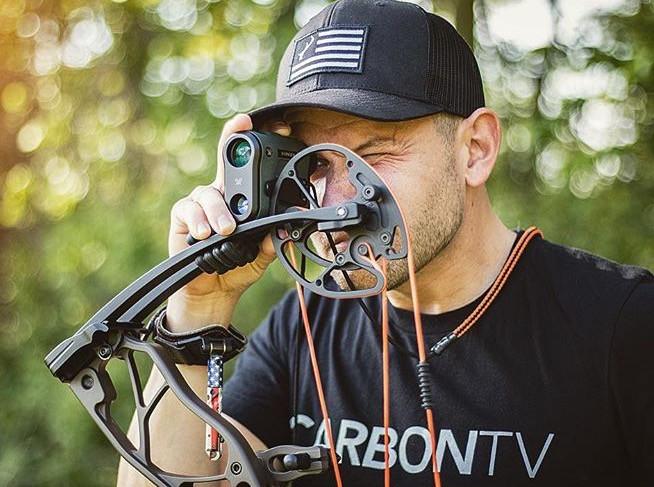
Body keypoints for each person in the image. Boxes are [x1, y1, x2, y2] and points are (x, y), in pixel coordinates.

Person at [117, 0, 654, 485]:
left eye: (373, 155)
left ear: (476, 149)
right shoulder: (302, 326)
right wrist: (195, 314)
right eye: (316, 163)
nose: (335, 199)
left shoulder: (623, 325)